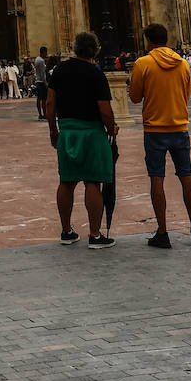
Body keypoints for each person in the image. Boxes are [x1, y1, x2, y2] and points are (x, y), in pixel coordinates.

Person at [128, 22, 191, 249]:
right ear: (166, 38)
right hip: (179, 127)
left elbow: (134, 98)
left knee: (157, 179)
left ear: (149, 41)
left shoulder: (142, 64)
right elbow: (186, 95)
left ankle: (162, 233)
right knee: (187, 178)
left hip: (154, 130)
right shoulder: (183, 64)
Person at [46, 32, 118, 250]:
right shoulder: (96, 75)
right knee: (92, 181)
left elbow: (50, 103)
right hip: (92, 133)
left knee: (66, 181)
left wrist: (53, 130)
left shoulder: (59, 70)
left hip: (67, 132)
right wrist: (111, 128)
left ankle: (66, 231)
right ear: (95, 51)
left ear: (75, 48)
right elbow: (105, 110)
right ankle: (95, 235)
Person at [33, 46, 49, 120]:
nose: (47, 54)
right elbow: (43, 74)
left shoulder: (36, 59)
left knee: (39, 99)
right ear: (44, 52)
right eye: (46, 52)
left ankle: (40, 114)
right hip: (42, 82)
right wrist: (46, 84)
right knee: (44, 99)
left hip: (37, 81)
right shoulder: (41, 61)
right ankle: (45, 115)